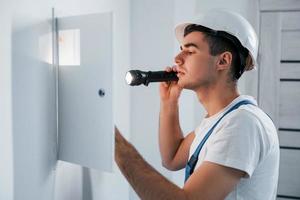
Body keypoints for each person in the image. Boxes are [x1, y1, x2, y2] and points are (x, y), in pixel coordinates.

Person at [115, 10, 279, 200]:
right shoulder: (220, 120)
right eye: (181, 48)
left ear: (223, 61)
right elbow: (172, 158)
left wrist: (116, 145)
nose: (177, 58)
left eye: (190, 51)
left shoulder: (243, 124)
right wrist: (169, 101)